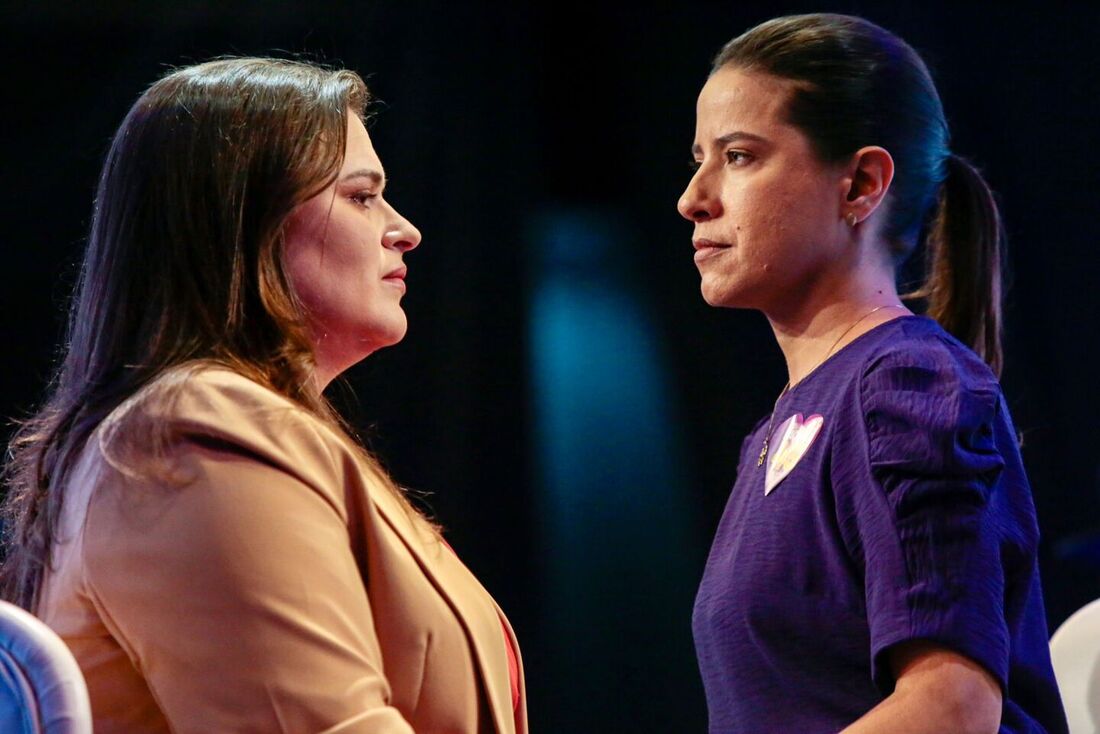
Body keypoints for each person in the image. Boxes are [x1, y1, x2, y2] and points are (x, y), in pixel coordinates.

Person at [0, 58, 526, 734]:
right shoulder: (195, 439)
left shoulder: (227, 433)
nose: (405, 229)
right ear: (248, 220)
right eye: (362, 196)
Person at [678, 14, 1067, 734]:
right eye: (699, 158)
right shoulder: (777, 432)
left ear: (860, 184)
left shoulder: (907, 385)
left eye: (737, 157)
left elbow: (950, 709)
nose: (693, 198)